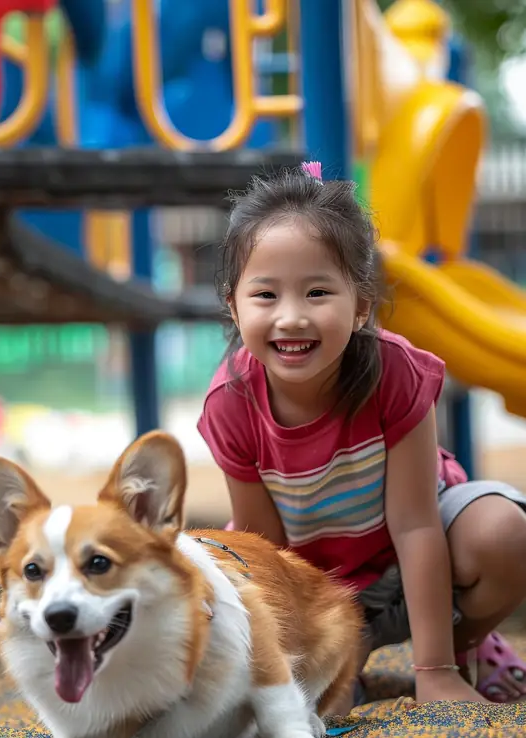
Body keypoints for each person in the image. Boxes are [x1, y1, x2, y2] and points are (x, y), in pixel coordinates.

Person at [197, 162, 526, 706]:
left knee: (505, 535)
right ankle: (347, 658)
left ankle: (466, 647)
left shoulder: (397, 373)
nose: (292, 317)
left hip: (415, 561)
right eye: (265, 295)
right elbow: (265, 550)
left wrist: (435, 671)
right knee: (214, 575)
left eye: (318, 292)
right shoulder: (231, 403)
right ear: (233, 305)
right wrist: (298, 664)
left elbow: (417, 525)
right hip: (318, 585)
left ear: (361, 308)